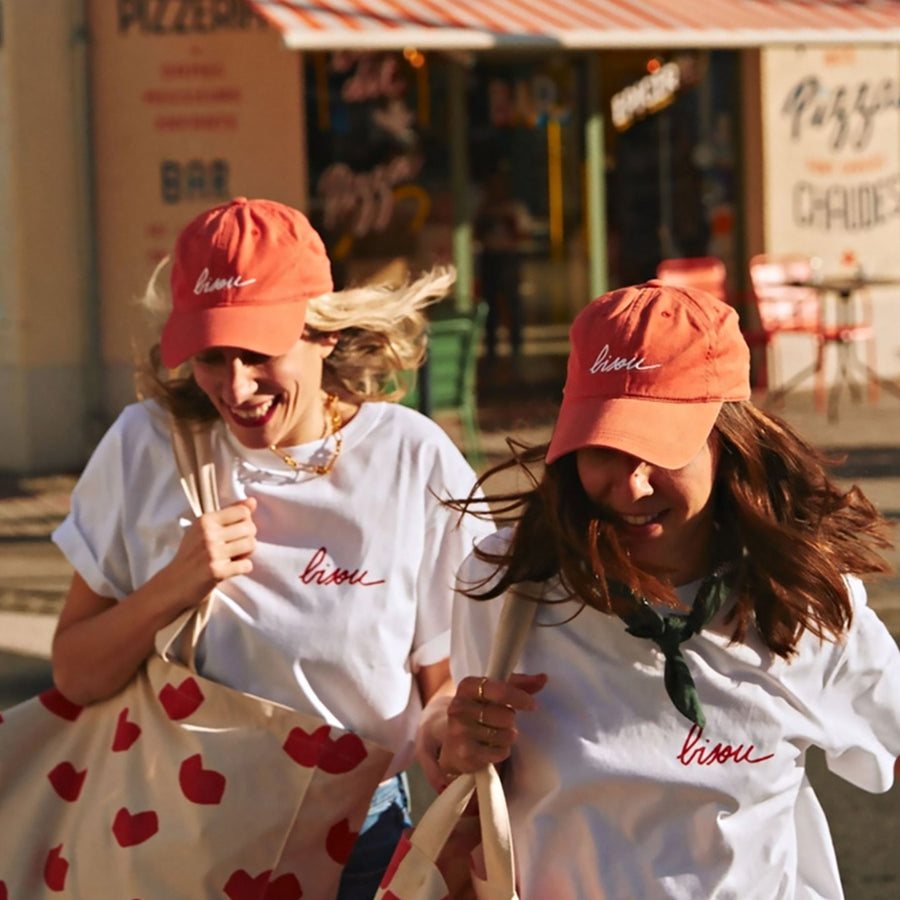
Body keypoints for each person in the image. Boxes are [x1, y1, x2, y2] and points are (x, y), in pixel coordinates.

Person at [50, 197, 493, 898]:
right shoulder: (145, 447)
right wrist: (174, 585)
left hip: (361, 845)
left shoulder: (411, 459)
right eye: (211, 356)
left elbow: (442, 688)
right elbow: (75, 674)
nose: (235, 385)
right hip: (175, 838)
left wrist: (451, 741)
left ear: (321, 333)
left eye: (258, 353)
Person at [418, 280, 900, 899]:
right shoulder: (504, 582)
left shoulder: (805, 602)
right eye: (604, 449)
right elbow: (480, 802)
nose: (633, 485)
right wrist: (457, 748)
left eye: (659, 448)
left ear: (731, 443)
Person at [474, 168, 531, 369]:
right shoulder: (483, 209)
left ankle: (516, 348)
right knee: (490, 306)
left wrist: (509, 223)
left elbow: (524, 234)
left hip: (508, 258)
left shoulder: (514, 208)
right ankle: (491, 349)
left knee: (513, 304)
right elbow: (474, 233)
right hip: (491, 259)